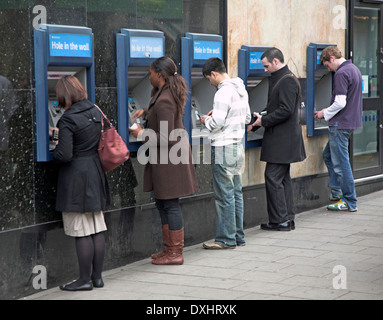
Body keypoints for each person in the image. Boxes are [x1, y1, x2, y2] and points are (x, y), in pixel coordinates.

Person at [130, 56, 199, 265]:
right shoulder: (162, 94)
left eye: (150, 72)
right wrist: (147, 112)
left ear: (159, 74)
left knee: (170, 204)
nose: (148, 76)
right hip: (166, 159)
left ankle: (175, 253)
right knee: (162, 202)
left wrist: (141, 134)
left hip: (171, 159)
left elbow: (166, 136)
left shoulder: (166, 99)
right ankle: (168, 249)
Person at [53, 76, 111, 291]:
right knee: (96, 226)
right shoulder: (95, 110)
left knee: (81, 229)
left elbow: (65, 154)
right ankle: (97, 278)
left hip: (76, 176)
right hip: (94, 171)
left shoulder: (67, 119)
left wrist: (56, 143)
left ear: (65, 95)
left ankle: (83, 280)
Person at [250, 47, 306, 231]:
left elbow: (286, 110)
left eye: (266, 66)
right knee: (282, 179)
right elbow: (276, 106)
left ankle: (280, 220)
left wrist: (264, 120)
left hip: (284, 140)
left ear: (276, 61)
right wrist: (261, 117)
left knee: (272, 177)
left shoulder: (287, 80)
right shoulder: (281, 78)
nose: (265, 70)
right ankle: (287, 219)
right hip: (284, 140)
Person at [199, 57, 251, 249]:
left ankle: (225, 239)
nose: (209, 83)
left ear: (213, 74)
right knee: (236, 192)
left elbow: (217, 122)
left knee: (224, 195)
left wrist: (205, 120)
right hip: (238, 145)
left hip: (223, 147)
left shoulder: (222, 92)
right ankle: (238, 236)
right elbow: (246, 118)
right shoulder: (240, 89)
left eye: (208, 79)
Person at [314, 46, 362, 212]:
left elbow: (340, 102)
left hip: (340, 124)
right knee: (328, 155)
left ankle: (349, 201)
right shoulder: (354, 69)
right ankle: (337, 192)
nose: (328, 69)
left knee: (341, 164)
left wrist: (323, 113)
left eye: (327, 65)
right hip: (349, 123)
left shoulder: (341, 73)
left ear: (332, 59)